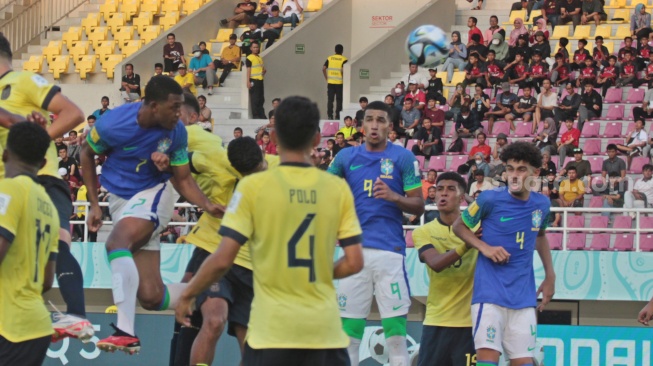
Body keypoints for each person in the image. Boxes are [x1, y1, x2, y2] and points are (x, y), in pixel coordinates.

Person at [175, 96, 364, 366]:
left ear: (273, 138)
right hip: (323, 327)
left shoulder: (254, 187)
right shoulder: (336, 189)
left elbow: (222, 258)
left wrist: (188, 292)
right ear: (317, 138)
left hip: (272, 325)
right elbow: (355, 261)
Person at [80, 76, 224, 354]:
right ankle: (213, 289)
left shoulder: (177, 132)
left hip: (153, 193)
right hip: (120, 200)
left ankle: (125, 331)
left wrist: (206, 204)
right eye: (174, 107)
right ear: (154, 106)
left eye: (181, 107)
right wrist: (95, 204)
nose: (179, 114)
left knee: (116, 244)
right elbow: (86, 154)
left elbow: (182, 180)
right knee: (151, 296)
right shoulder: (111, 124)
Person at [0, 33, 92, 342]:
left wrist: (35, 141)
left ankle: (77, 315)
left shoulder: (22, 81)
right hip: (7, 189)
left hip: (40, 178)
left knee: (58, 244)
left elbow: (74, 113)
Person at [328, 101, 424, 366]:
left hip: (389, 253)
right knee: (349, 338)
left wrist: (394, 197)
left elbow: (419, 204)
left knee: (395, 337)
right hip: (352, 254)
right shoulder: (345, 157)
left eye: (381, 120)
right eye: (369, 119)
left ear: (390, 126)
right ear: (361, 125)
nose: (374, 125)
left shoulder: (403, 157)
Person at [452, 141, 555, 366]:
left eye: (521, 169)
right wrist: (485, 248)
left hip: (524, 298)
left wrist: (550, 275)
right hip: (490, 297)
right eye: (510, 169)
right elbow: (458, 226)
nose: (514, 175)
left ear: (535, 172)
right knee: (488, 361)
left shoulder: (542, 205)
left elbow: (540, 236)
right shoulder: (489, 199)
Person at [0, 122, 60, 365]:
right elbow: (47, 280)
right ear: (43, 164)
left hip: (9, 325)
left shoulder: (9, 190)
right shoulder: (50, 207)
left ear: (5, 154)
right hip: (36, 326)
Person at [413, 172, 478, 366]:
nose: (443, 194)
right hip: (436, 322)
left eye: (450, 189)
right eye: (439, 189)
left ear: (461, 197)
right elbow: (436, 264)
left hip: (470, 325)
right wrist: (468, 243)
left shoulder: (479, 229)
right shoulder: (423, 231)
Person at [323, 44, 348, 120]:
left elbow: (323, 68)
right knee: (339, 100)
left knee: (330, 100)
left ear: (335, 50)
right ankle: (338, 116)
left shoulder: (330, 58)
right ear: (342, 51)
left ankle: (330, 116)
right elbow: (343, 70)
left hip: (330, 83)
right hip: (340, 83)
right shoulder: (344, 59)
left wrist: (327, 78)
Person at [247, 42, 267, 119]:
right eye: (254, 47)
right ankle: (255, 115)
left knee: (261, 99)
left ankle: (261, 114)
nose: (256, 49)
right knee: (255, 98)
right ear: (251, 48)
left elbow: (262, 69)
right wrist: (248, 81)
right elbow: (248, 70)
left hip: (260, 80)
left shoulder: (259, 58)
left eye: (257, 47)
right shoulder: (249, 57)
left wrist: (264, 71)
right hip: (254, 80)